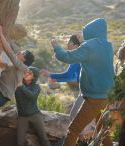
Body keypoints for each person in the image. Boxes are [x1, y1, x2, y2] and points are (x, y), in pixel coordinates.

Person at [51, 18, 114, 146]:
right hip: (107, 96)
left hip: (94, 98)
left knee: (73, 130)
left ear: (90, 31)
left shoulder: (89, 46)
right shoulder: (107, 45)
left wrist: (57, 47)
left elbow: (67, 57)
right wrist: (83, 42)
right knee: (103, 130)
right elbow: (93, 55)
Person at [15, 66, 51, 146]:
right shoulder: (17, 84)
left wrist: (21, 86)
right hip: (22, 117)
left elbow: (32, 96)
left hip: (35, 115)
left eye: (30, 73)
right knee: (19, 143)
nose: (26, 74)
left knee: (44, 139)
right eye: (26, 71)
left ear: (34, 76)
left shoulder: (36, 86)